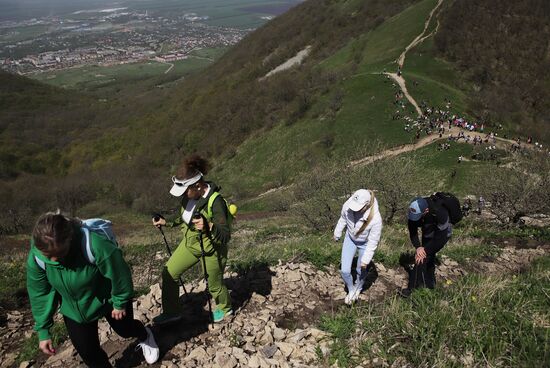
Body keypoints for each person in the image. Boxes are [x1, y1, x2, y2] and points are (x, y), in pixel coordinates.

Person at [27, 212, 159, 367]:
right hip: (74, 309)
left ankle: (145, 335)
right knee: (89, 353)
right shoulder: (37, 257)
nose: (53, 260)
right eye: (48, 256)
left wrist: (119, 302)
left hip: (108, 298)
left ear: (69, 239)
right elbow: (39, 293)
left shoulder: (95, 245)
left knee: (125, 329)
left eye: (59, 254)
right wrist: (43, 330)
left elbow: (119, 274)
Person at [152, 155, 233, 324]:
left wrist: (208, 226)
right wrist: (166, 222)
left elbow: (225, 236)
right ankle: (172, 312)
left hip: (212, 249)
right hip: (190, 244)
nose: (182, 196)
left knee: (214, 285)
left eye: (185, 191)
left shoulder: (216, 202)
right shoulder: (189, 196)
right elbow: (185, 217)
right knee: (169, 272)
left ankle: (225, 310)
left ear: (197, 185)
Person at [333, 189, 382, 305]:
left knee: (361, 269)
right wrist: (337, 232)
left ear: (367, 205)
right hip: (350, 238)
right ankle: (351, 289)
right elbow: (343, 218)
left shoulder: (375, 219)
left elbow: (373, 241)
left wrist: (366, 260)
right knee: (344, 270)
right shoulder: (348, 205)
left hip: (365, 243)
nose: (356, 210)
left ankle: (358, 288)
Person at [400, 197, 452, 297]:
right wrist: (418, 247)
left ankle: (413, 289)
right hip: (428, 228)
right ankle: (430, 284)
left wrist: (425, 250)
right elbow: (413, 231)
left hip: (442, 233)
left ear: (426, 210)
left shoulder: (440, 213)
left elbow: (440, 239)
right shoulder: (415, 209)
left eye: (418, 216)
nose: (415, 218)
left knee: (425, 255)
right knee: (425, 254)